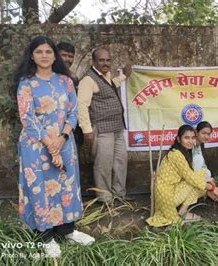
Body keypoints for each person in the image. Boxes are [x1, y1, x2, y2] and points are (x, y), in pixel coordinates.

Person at [15, 36, 94, 258]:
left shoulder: (65, 81)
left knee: (66, 185)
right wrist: (50, 144)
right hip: (36, 145)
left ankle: (67, 229)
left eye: (48, 51)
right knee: (41, 189)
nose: (44, 55)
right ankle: (46, 236)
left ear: (54, 55)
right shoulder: (26, 83)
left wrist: (62, 138)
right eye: (39, 51)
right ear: (32, 55)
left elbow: (73, 112)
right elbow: (27, 118)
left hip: (64, 142)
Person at [77, 48, 132, 202]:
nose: (105, 63)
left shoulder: (105, 76)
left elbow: (110, 86)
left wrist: (124, 76)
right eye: (101, 60)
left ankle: (119, 194)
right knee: (103, 166)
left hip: (117, 129)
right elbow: (82, 105)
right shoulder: (88, 80)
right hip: (102, 130)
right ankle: (105, 199)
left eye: (108, 60)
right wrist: (87, 130)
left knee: (121, 162)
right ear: (94, 62)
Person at [146, 125, 218, 227]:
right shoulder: (176, 154)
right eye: (186, 138)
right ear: (178, 139)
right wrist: (212, 188)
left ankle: (183, 211)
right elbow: (191, 178)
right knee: (198, 182)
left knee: (202, 175)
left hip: (172, 190)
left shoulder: (182, 152)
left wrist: (208, 184)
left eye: (192, 138)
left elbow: (191, 176)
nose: (190, 141)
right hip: (167, 197)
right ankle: (182, 213)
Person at [57, 41, 83, 146]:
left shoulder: (72, 78)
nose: (67, 59)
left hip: (70, 127)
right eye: (63, 55)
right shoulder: (48, 75)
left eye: (70, 56)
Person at [192, 121, 218, 201]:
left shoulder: (199, 145)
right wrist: (208, 181)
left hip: (196, 177)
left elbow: (202, 166)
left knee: (210, 178)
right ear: (196, 133)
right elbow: (194, 169)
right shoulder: (191, 145)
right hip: (189, 178)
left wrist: (209, 178)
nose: (206, 136)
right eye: (203, 133)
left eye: (208, 134)